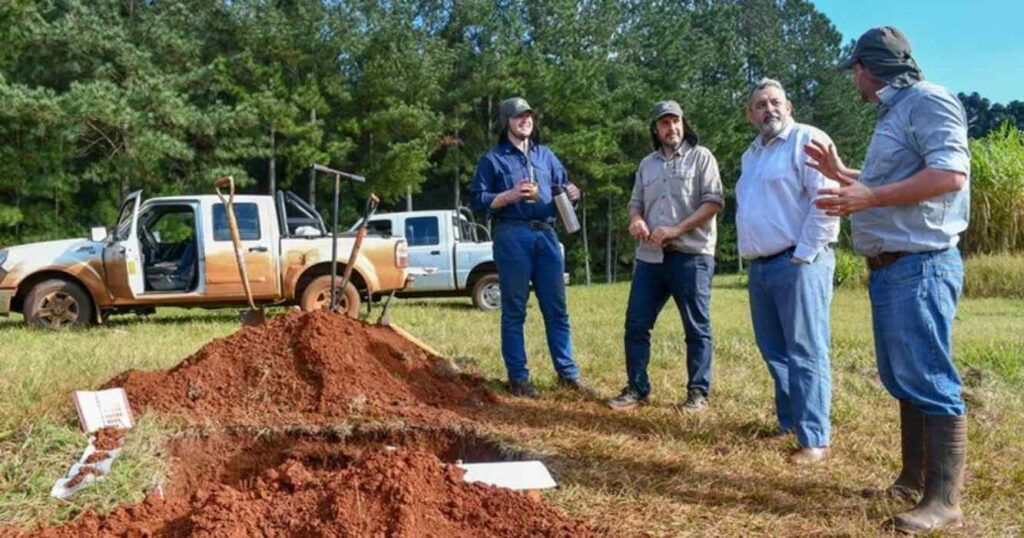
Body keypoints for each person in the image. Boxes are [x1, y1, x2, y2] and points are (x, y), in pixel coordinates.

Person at [805, 27, 970, 533]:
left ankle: (943, 501)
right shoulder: (895, 113)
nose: (854, 78)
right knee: (905, 377)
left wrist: (869, 198)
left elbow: (950, 176)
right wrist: (847, 174)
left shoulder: (929, 101)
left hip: (920, 265)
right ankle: (911, 479)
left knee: (929, 378)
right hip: (894, 268)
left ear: (869, 67)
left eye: (855, 68)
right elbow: (891, 181)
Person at [736, 78, 840, 465]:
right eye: (760, 105)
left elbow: (827, 201)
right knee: (775, 350)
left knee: (806, 349)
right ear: (750, 115)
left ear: (789, 106)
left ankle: (815, 439)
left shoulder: (807, 140)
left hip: (798, 262)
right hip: (762, 266)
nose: (769, 110)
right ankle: (790, 424)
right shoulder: (752, 154)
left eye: (775, 102)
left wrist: (805, 255)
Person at [469, 97, 590, 398]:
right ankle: (518, 378)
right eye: (518, 116)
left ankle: (568, 374)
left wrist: (574, 192)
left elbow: (564, 188)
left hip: (547, 235)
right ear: (507, 122)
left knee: (557, 309)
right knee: (514, 309)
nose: (525, 120)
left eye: (528, 116)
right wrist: (510, 194)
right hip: (512, 236)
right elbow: (477, 202)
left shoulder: (546, 156)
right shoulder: (493, 159)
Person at [607, 100, 724, 412]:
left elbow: (713, 203)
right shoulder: (647, 164)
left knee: (696, 328)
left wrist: (675, 230)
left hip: (692, 255)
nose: (671, 128)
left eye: (676, 122)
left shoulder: (702, 158)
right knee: (636, 324)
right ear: (655, 130)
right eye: (664, 123)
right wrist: (636, 220)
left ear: (684, 124)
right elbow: (635, 203)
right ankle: (637, 387)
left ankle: (697, 393)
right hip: (650, 257)